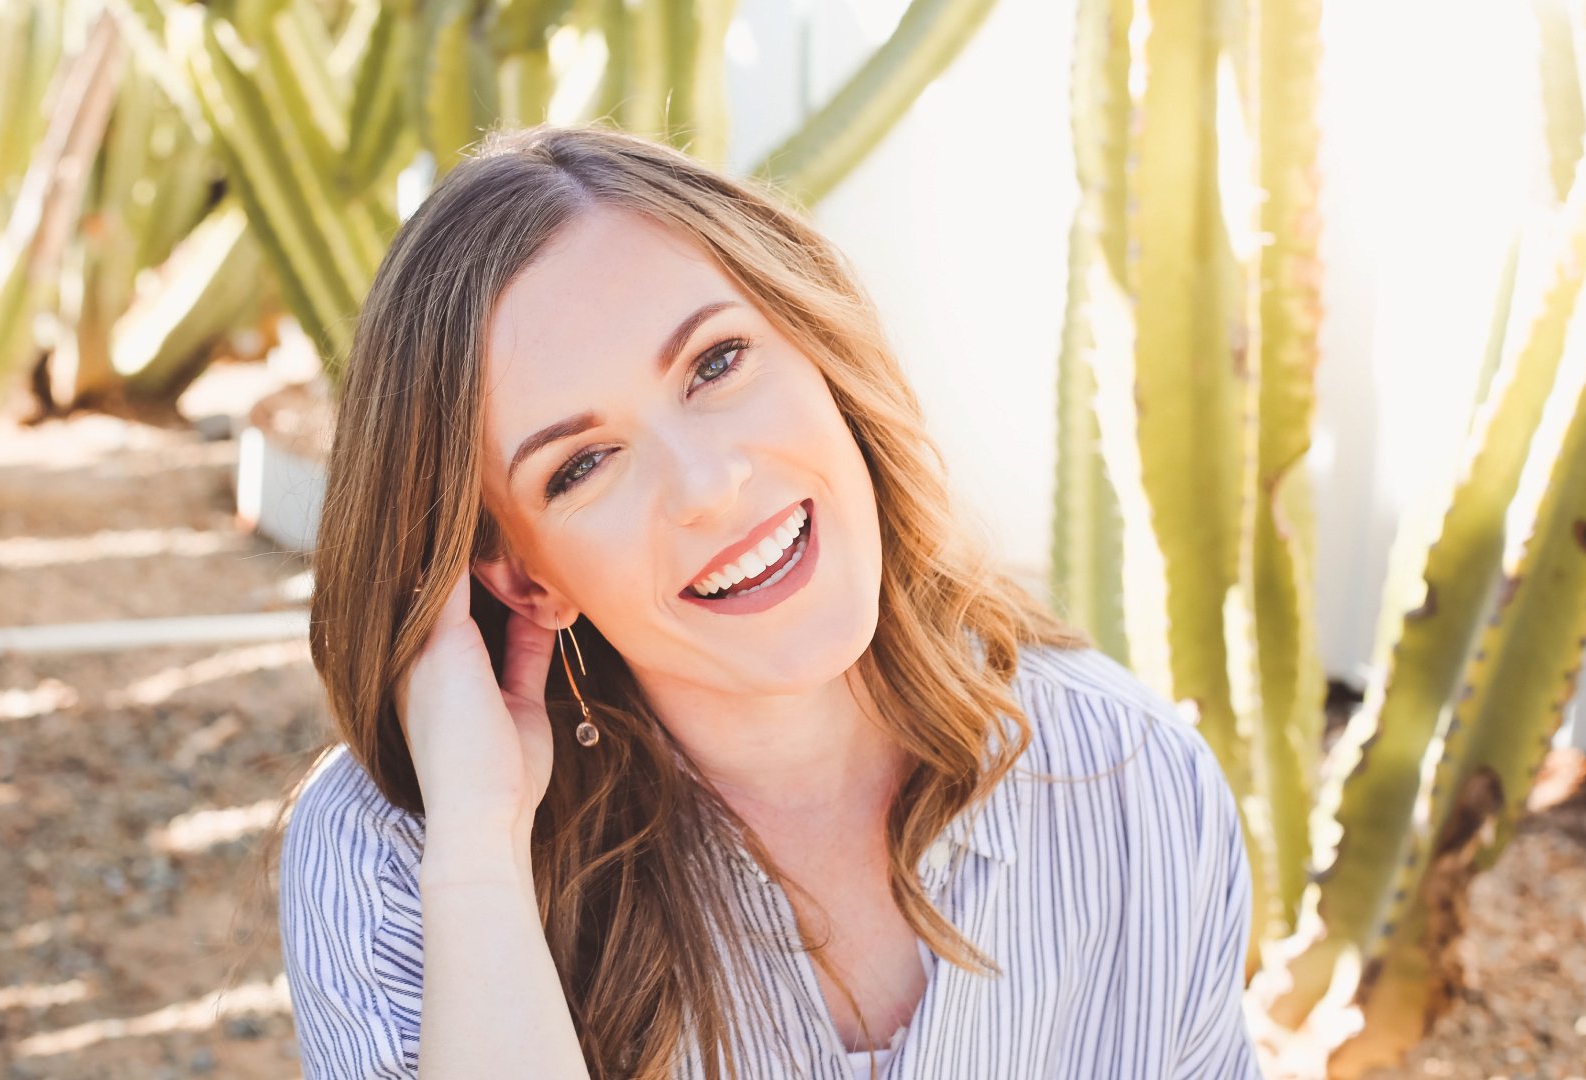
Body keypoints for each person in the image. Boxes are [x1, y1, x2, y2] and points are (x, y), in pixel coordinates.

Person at [276, 122, 1262, 1079]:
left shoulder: (1132, 778)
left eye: (715, 362)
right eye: (583, 465)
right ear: (526, 578)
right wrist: (481, 857)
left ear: (814, 347)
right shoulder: (400, 862)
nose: (709, 486)